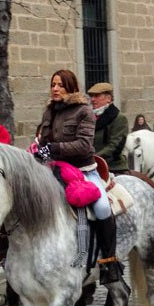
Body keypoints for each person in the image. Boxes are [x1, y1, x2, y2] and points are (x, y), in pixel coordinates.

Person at [34, 70, 120, 285]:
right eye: (53, 84)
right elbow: (44, 140)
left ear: (71, 87)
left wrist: (53, 148)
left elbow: (84, 145)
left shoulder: (84, 111)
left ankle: (109, 262)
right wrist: (39, 149)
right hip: (53, 169)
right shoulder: (49, 111)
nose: (55, 88)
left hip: (83, 170)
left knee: (102, 208)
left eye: (60, 85)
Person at [87, 82, 130, 174]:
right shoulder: (88, 117)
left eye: (97, 96)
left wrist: (94, 158)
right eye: (91, 96)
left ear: (108, 98)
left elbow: (115, 146)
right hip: (89, 165)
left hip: (113, 167)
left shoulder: (119, 118)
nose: (93, 99)